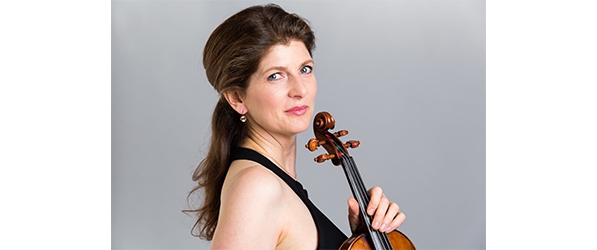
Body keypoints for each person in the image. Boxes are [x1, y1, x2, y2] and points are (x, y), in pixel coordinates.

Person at [186, 4, 406, 249]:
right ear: (237, 98)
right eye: (275, 75)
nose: (300, 90)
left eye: (305, 69)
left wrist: (363, 238)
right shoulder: (258, 187)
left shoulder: (273, 182)